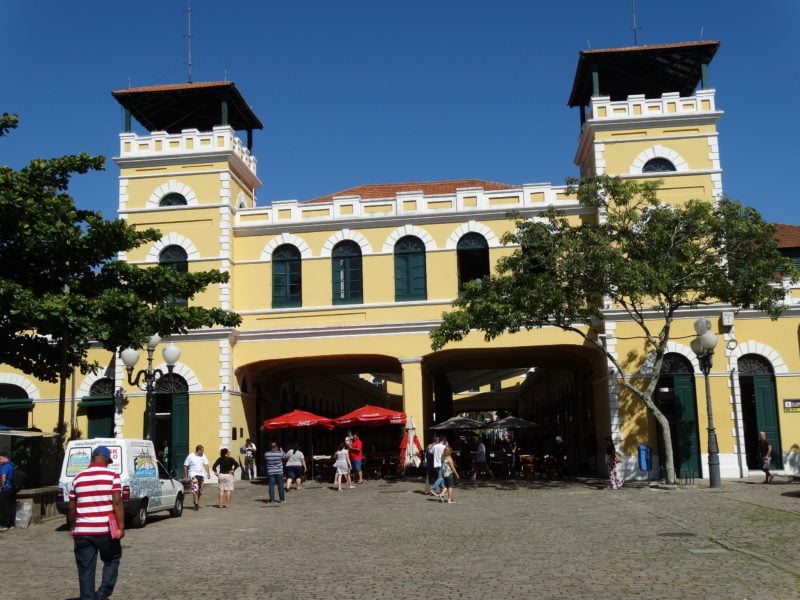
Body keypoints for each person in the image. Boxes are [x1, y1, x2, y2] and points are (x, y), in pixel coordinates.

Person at [67, 445, 125, 600]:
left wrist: (73, 527)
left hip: (83, 530)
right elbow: (117, 502)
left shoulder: (78, 478)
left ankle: (87, 597)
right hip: (105, 530)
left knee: (85, 569)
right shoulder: (112, 476)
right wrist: (121, 526)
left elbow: (72, 506)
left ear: (92, 459)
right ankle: (103, 593)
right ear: (106, 459)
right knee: (112, 560)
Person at [183, 445, 211, 511]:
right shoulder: (190, 456)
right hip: (193, 475)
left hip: (201, 475)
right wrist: (186, 476)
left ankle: (196, 500)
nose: (203, 452)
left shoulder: (203, 456)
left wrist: (208, 473)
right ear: (198, 450)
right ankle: (196, 504)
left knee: (200, 490)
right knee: (195, 489)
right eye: (202, 450)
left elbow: (206, 465)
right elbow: (185, 466)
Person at [0, 452, 16, 530]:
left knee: (4, 506)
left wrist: (2, 485)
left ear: (5, 458)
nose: (0, 460)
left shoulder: (5, 466)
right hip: (12, 488)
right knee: (11, 506)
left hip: (6, 489)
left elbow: (3, 476)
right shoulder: (12, 465)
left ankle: (4, 524)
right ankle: (11, 524)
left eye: (0, 458)